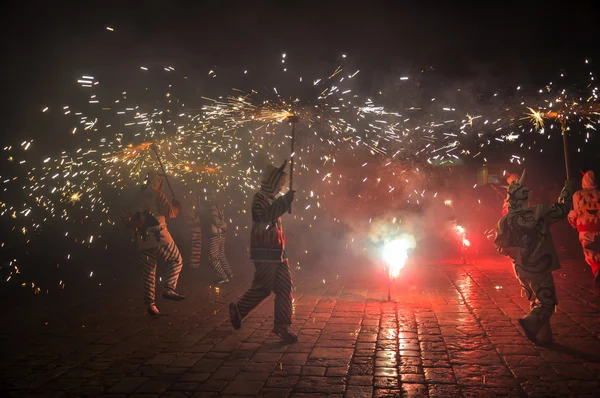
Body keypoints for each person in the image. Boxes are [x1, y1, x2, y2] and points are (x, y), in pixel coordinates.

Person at [494, 170, 573, 345]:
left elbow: (500, 245)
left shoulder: (504, 221)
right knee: (546, 302)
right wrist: (568, 189)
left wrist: (516, 253)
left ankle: (544, 337)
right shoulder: (539, 212)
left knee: (535, 300)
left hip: (521, 268)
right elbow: (563, 209)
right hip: (539, 265)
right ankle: (530, 324)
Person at [228, 160, 297, 343]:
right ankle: (239, 309)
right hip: (265, 252)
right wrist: (284, 202)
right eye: (280, 182)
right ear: (272, 181)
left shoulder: (273, 199)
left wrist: (283, 202)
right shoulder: (259, 198)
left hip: (278, 253)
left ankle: (282, 327)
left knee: (284, 288)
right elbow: (266, 216)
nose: (281, 186)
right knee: (263, 288)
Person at [124, 170, 186, 316]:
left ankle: (150, 304)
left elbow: (127, 219)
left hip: (142, 239)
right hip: (160, 236)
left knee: (148, 271)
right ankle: (169, 288)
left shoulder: (135, 197)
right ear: (156, 181)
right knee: (176, 260)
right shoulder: (157, 194)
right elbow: (170, 213)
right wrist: (177, 207)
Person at [568, 170, 600, 283]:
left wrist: (572, 220)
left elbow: (576, 211)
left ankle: (596, 268)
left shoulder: (578, 195)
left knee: (589, 250)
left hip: (585, 227)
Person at [206, 190, 233, 283]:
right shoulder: (220, 206)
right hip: (221, 234)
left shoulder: (212, 207)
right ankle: (229, 273)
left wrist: (224, 225)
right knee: (221, 255)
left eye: (210, 196)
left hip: (215, 235)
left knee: (212, 258)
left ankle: (224, 276)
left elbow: (216, 221)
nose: (208, 199)